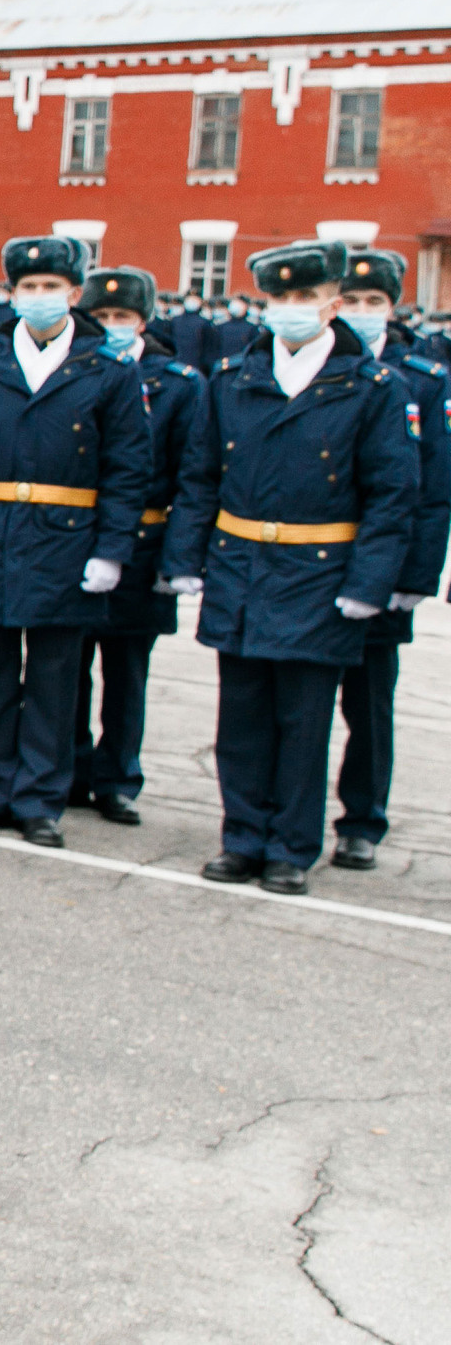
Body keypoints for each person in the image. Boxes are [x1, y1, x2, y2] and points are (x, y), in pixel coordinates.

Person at [162, 242, 420, 895]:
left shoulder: (371, 387)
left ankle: (291, 847)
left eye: (305, 299)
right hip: (242, 565)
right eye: (280, 299)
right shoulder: (232, 377)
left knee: (304, 720)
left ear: (332, 305)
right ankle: (242, 837)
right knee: (241, 716)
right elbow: (198, 478)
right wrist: (185, 559)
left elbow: (393, 494)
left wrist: (370, 583)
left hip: (322, 572)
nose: (291, 310)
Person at [0, 235, 149, 850]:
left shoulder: (107, 372)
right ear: (11, 294)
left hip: (67, 542)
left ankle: (41, 799)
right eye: (28, 287)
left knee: (55, 678)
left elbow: (128, 469)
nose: (39, 297)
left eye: (51, 287)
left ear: (75, 294)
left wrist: (111, 550)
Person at [66, 267, 204, 826]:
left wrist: (177, 558)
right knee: (67, 670)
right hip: (76, 538)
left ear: (144, 321)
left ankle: (118, 778)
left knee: (127, 674)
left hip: (144, 543)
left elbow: (192, 472)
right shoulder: (77, 371)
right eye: (102, 317)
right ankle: (70, 769)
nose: (112, 326)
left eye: (123, 317)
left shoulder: (179, 383)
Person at [327, 249, 449, 869]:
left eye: (374, 302)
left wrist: (415, 577)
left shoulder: (425, 378)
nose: (361, 313)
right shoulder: (318, 366)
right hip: (313, 562)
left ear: (393, 308)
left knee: (369, 704)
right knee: (302, 698)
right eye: (351, 301)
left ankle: (362, 820)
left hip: (387, 564)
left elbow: (433, 490)